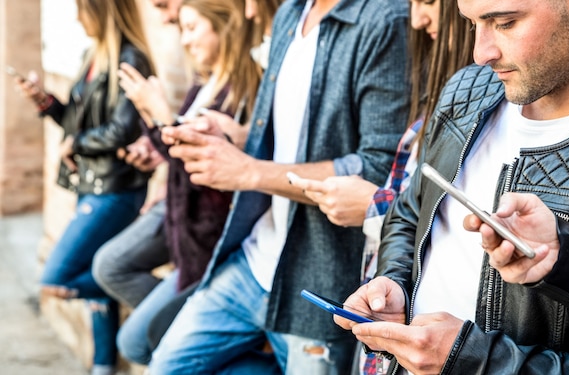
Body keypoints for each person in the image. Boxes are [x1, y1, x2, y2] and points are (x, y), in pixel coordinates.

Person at [334, 0, 569, 373]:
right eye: (472, 24)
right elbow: (411, 211)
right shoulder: (466, 89)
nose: (480, 53)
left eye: (505, 23)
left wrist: (478, 362)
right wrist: (394, 284)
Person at [150, 0, 410, 372]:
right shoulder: (292, 12)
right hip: (253, 260)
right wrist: (234, 140)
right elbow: (283, 140)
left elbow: (377, 173)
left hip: (320, 283)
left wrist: (249, 171)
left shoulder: (385, 19)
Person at [292, 0, 474, 373]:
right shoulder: (443, 97)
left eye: (426, 3)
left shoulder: (480, 107)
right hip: (396, 321)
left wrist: (374, 207)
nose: (417, 20)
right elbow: (415, 210)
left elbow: (456, 225)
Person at [91, 0, 263, 368]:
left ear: (224, 28)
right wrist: (154, 138)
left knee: (138, 342)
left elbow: (213, 178)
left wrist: (159, 116)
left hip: (209, 244)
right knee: (126, 306)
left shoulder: (243, 92)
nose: (184, 39)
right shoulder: (205, 80)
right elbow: (180, 153)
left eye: (191, 28)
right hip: (184, 230)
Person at [14, 0, 155, 374]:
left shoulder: (130, 59)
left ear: (102, 10)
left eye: (82, 9)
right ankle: (103, 364)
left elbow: (121, 130)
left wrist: (76, 145)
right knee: (98, 294)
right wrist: (45, 102)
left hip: (116, 188)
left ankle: (145, 286)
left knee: (56, 276)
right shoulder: (92, 56)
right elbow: (77, 123)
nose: (77, 18)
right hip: (89, 184)